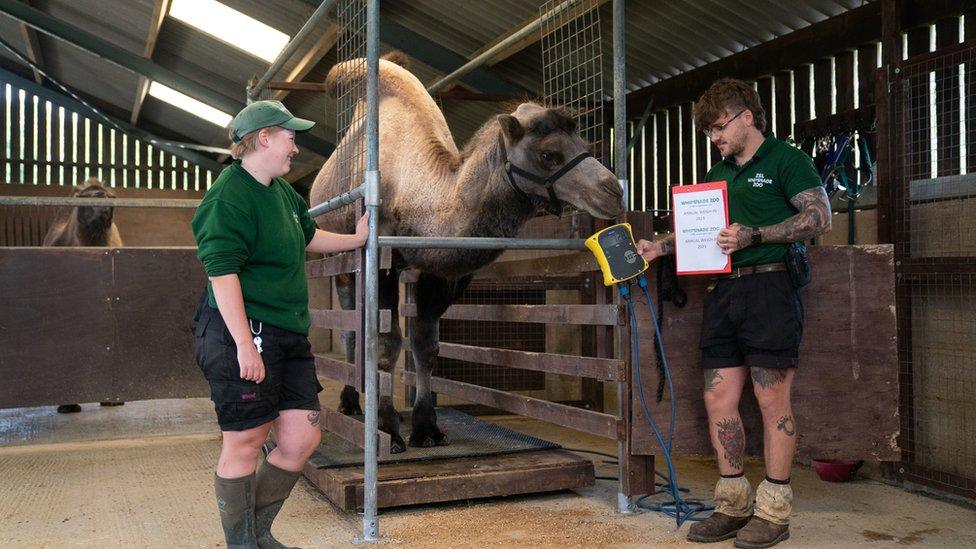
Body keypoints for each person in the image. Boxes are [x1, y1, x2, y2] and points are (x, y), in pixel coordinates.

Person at [636, 79, 831, 549]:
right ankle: (733, 503)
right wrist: (659, 247)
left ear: (746, 116)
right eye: (709, 133)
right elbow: (700, 235)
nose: (715, 138)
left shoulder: (787, 160)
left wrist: (755, 235)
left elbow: (819, 216)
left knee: (771, 401)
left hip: (770, 287)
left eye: (719, 128)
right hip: (722, 293)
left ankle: (775, 510)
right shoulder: (715, 174)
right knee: (718, 399)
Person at [192, 100, 368, 548]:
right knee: (246, 440)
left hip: (288, 333)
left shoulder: (281, 192)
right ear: (265, 137)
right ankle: (243, 542)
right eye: (290, 136)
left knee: (302, 436)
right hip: (242, 329)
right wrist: (243, 347)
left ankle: (257, 532)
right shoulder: (228, 196)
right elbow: (222, 273)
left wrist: (358, 239)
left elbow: (308, 235)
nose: (296, 145)